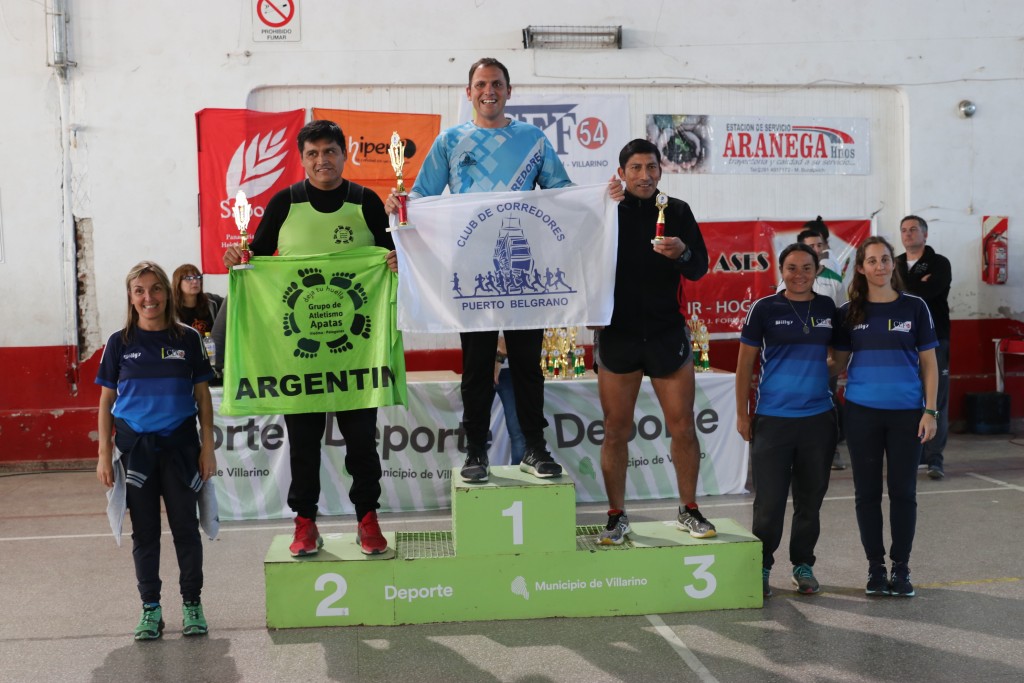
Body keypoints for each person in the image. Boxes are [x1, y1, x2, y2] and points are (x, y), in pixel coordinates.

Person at [387, 57, 623, 483]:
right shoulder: (450, 141)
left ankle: (534, 447)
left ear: (509, 91)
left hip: (522, 269)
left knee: (528, 365)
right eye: (481, 84)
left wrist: (600, 197)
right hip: (471, 271)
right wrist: (400, 206)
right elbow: (422, 197)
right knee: (477, 367)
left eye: (496, 83)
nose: (488, 91)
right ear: (469, 92)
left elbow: (562, 193)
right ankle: (475, 451)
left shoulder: (532, 139)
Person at [223, 119, 398, 557]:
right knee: (302, 445)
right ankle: (305, 522)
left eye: (330, 151)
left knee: (362, 444)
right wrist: (237, 257)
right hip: (299, 356)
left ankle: (367, 518)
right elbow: (255, 263)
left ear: (344, 154)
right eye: (313, 153)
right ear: (302, 159)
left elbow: (394, 255)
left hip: (357, 353)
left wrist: (398, 261)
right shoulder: (284, 203)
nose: (323, 160)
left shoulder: (365, 202)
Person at [594, 138, 715, 546]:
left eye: (651, 168)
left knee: (683, 426)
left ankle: (688, 509)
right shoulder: (606, 210)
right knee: (615, 430)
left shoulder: (677, 211)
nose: (645, 176)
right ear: (621, 172)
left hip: (666, 334)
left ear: (661, 171)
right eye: (636, 168)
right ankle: (616, 516)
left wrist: (682, 253)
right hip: (619, 335)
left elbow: (699, 268)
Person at [95, 261, 216, 640]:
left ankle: (192, 604)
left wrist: (208, 446)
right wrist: (103, 453)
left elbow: (202, 396)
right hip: (136, 452)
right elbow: (106, 401)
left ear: (167, 292)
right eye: (140, 291)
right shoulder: (119, 343)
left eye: (155, 289)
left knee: (186, 529)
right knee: (145, 533)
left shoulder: (188, 339)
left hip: (181, 448)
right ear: (131, 298)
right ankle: (150, 608)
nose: (149, 298)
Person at [832, 236, 938, 598]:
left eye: (885, 259)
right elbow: (837, 363)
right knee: (867, 494)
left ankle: (901, 567)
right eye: (872, 261)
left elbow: (930, 364)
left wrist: (930, 411)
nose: (880, 266)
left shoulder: (915, 307)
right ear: (861, 268)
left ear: (894, 264)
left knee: (903, 492)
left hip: (907, 414)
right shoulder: (849, 312)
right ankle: (875, 568)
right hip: (861, 413)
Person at [738, 243, 839, 597]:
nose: (799, 274)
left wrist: (815, 374)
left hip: (818, 421)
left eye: (807, 268)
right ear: (781, 271)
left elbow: (838, 358)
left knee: (810, 500)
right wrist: (742, 414)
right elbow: (745, 365)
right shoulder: (764, 308)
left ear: (817, 271)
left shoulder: (827, 308)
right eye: (792, 268)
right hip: (773, 420)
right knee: (769, 502)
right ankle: (762, 566)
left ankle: (803, 565)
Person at [896, 215, 952, 480]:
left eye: (913, 229)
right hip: (901, 340)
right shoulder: (894, 263)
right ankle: (915, 453)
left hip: (935, 338)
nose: (908, 234)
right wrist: (918, 284)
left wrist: (904, 289)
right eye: (904, 230)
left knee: (936, 397)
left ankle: (934, 457)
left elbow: (926, 294)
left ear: (925, 234)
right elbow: (890, 294)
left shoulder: (939, 263)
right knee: (908, 396)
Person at [494, 335, 527, 465]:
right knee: (517, 432)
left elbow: (504, 343)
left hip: (507, 370)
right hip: (500, 369)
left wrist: (499, 360)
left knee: (517, 431)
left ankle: (518, 471)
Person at [172, 264, 223, 337]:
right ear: (178, 282)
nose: (195, 281)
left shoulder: (213, 302)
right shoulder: (171, 309)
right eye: (189, 278)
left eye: (197, 277)